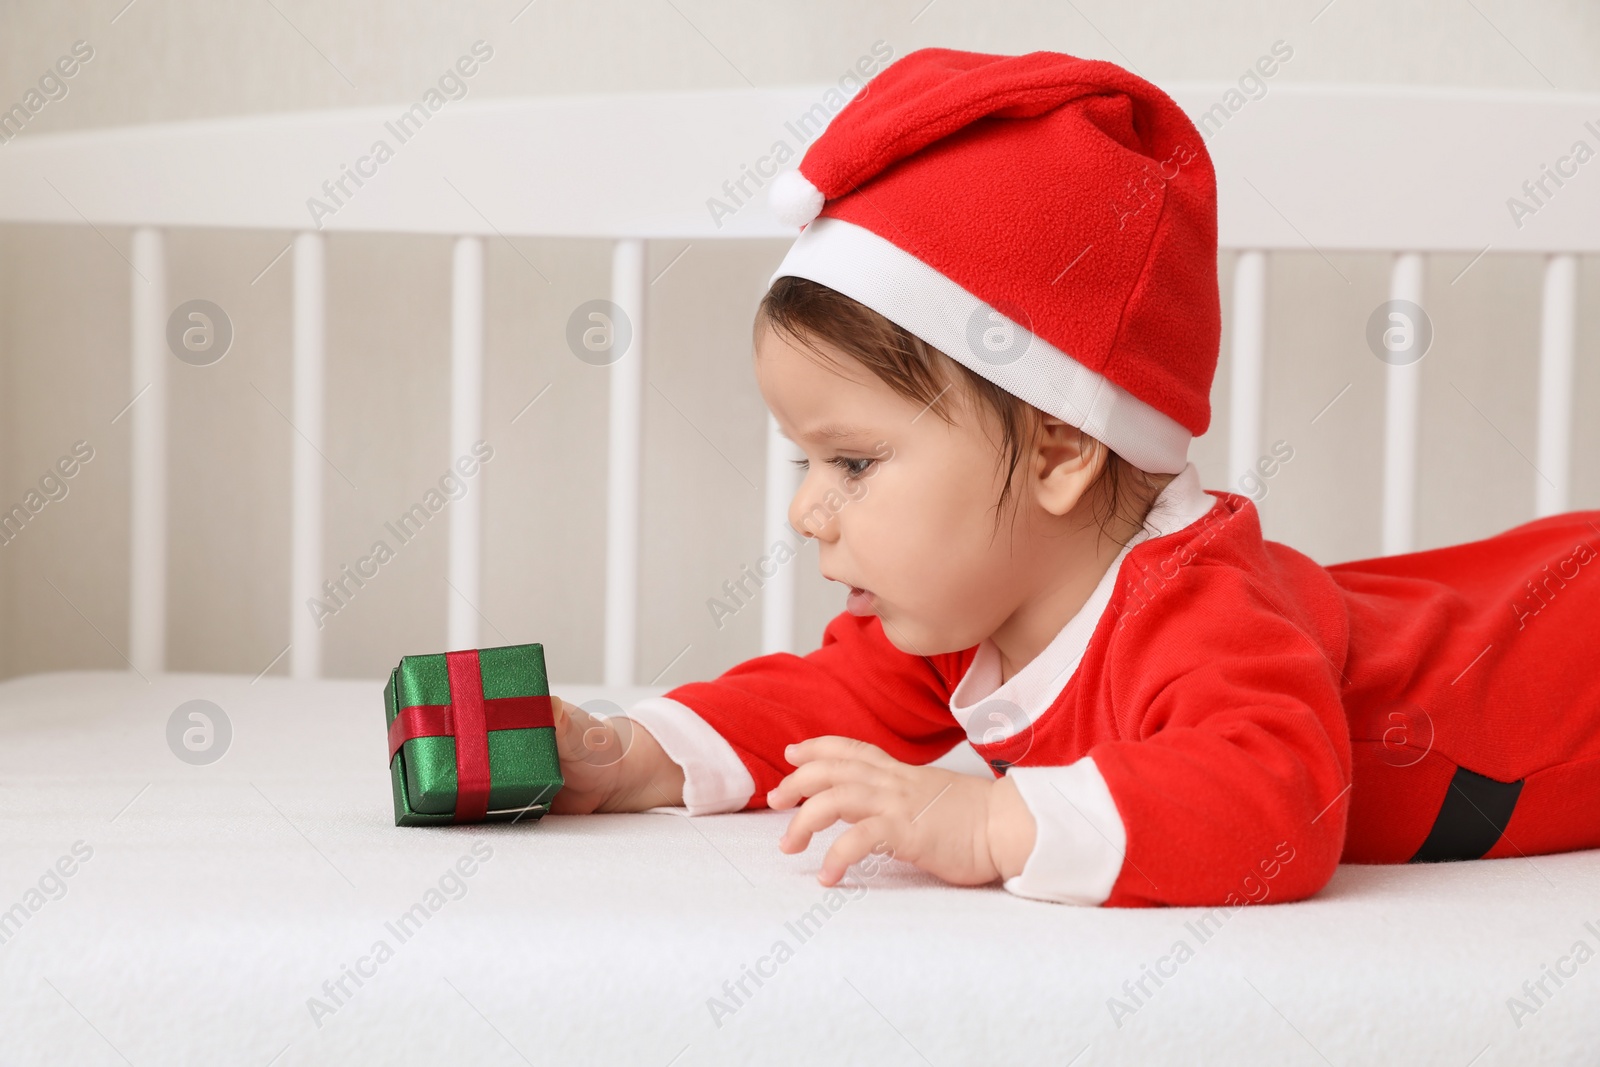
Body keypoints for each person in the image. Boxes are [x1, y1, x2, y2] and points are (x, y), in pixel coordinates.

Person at [546, 47, 1600, 908]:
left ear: (1057, 450)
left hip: (1550, 661)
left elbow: (1281, 801)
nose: (806, 508)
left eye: (853, 463)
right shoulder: (975, 612)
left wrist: (989, 821)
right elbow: (823, 697)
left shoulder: (1193, 607)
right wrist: (631, 751)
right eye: (808, 461)